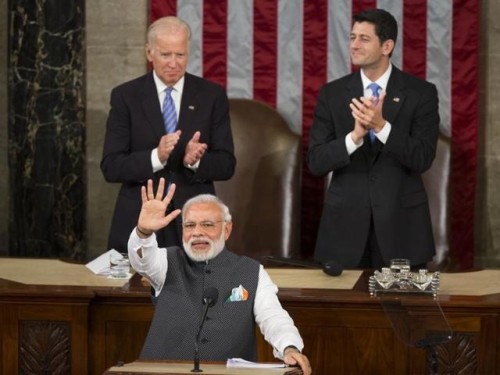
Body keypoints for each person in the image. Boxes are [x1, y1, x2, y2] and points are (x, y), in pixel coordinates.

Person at [127, 178, 312, 374]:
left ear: (227, 229)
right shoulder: (166, 262)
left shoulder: (250, 271)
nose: (197, 233)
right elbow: (142, 260)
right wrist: (144, 233)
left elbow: (273, 317)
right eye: (189, 226)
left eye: (207, 224)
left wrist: (289, 347)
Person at [307, 9, 439, 270]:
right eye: (353, 37)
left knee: (402, 311)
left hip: (402, 231)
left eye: (364, 39)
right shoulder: (332, 93)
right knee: (343, 312)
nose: (354, 45)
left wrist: (381, 127)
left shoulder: (420, 93)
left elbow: (423, 157)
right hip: (344, 232)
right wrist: (354, 137)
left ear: (387, 46)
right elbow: (316, 162)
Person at [101, 16, 235, 253]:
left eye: (180, 55)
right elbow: (111, 166)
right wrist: (156, 157)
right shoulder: (126, 96)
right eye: (165, 55)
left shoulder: (211, 95)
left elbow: (226, 164)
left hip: (194, 223)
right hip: (139, 221)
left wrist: (195, 161)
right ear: (149, 53)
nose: (174, 63)